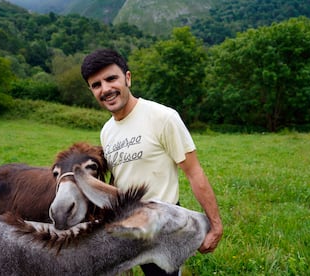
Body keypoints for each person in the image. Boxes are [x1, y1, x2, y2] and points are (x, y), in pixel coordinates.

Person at [81, 49, 223, 276]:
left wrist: (215, 226)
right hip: (125, 225)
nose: (105, 89)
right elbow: (119, 177)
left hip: (161, 229)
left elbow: (194, 172)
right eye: (96, 85)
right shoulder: (106, 131)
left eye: (111, 79)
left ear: (127, 78)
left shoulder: (163, 117)